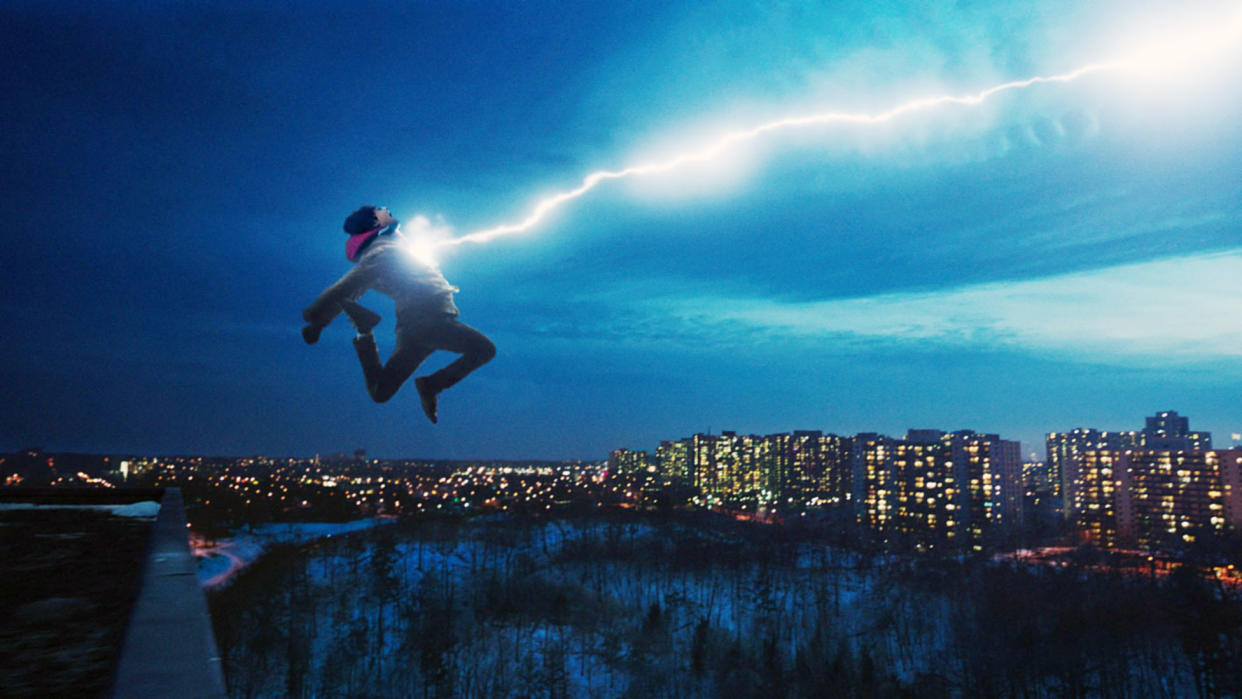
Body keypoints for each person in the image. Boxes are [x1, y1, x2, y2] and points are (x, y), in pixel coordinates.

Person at [302, 205, 495, 423]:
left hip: (413, 328)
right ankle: (431, 385)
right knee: (484, 350)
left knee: (380, 392)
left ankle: (364, 331)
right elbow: (347, 287)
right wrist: (317, 321)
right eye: (380, 210)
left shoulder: (392, 246)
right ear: (375, 223)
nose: (386, 209)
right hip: (429, 321)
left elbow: (358, 284)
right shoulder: (384, 253)